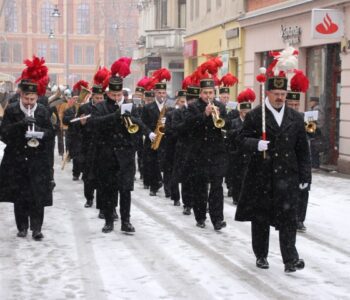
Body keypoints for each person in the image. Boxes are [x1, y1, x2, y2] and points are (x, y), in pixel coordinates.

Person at [235, 74, 311, 272]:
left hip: (287, 175)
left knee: (288, 219)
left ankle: (290, 259)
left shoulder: (296, 118)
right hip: (262, 175)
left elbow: (302, 150)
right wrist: (256, 144)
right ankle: (261, 255)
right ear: (267, 93)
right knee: (261, 218)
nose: (280, 97)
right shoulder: (255, 116)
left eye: (283, 93)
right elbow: (240, 141)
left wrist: (305, 177)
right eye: (276, 93)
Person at [0, 81, 54, 240]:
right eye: (26, 99)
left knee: (38, 194)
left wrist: (39, 132)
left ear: (37, 97)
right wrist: (20, 125)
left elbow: (51, 133)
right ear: (21, 95)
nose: (29, 103)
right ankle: (22, 226)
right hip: (17, 158)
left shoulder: (43, 111)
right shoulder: (12, 109)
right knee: (20, 194)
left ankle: (36, 228)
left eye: (32, 99)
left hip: (38, 159)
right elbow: (3, 133)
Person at [90, 76, 142, 233]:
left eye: (119, 95)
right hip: (107, 155)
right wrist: (115, 116)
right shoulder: (100, 107)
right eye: (114, 95)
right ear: (108, 94)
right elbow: (94, 123)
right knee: (108, 190)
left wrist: (131, 124)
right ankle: (108, 221)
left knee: (126, 190)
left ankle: (126, 221)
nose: (117, 98)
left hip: (125, 155)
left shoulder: (130, 106)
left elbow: (138, 126)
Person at [183, 78, 227, 230]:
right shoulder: (193, 107)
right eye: (206, 93)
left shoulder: (220, 106)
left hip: (216, 152)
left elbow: (226, 124)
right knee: (200, 187)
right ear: (200, 93)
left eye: (211, 93)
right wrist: (204, 115)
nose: (209, 96)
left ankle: (217, 219)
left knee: (217, 186)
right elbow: (188, 125)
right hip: (199, 153)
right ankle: (200, 216)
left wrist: (221, 118)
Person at [172, 86, 200, 215]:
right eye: (191, 101)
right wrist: (190, 122)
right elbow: (176, 128)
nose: (194, 103)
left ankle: (199, 203)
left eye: (196, 100)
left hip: (199, 148)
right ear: (188, 101)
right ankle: (187, 203)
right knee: (186, 177)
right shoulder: (179, 112)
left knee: (199, 178)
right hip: (184, 148)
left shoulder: (202, 111)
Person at [78, 85, 105, 209]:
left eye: (101, 98)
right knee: (88, 175)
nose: (99, 100)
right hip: (88, 146)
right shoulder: (84, 108)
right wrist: (82, 124)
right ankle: (89, 198)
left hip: (102, 146)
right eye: (97, 97)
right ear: (92, 97)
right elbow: (76, 128)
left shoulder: (106, 108)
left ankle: (101, 201)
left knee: (101, 175)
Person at [227, 88, 255, 205]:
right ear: (240, 112)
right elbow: (229, 134)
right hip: (236, 153)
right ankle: (236, 196)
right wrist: (240, 130)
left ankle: (246, 196)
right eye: (244, 112)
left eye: (248, 112)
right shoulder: (234, 122)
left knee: (248, 176)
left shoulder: (253, 122)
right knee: (237, 177)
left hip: (248, 153)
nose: (246, 114)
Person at [142, 81, 169, 196]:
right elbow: (142, 123)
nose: (161, 95)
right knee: (153, 163)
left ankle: (168, 188)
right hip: (153, 139)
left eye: (163, 92)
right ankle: (154, 186)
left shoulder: (169, 108)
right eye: (159, 92)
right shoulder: (148, 107)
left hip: (166, 139)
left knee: (166, 164)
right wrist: (149, 133)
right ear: (155, 93)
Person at [164, 90, 187, 206]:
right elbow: (168, 130)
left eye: (185, 101)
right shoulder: (170, 113)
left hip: (184, 146)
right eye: (182, 101)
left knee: (185, 174)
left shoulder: (189, 113)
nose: (184, 103)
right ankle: (175, 196)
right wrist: (180, 133)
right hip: (173, 146)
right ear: (177, 102)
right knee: (174, 172)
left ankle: (187, 200)